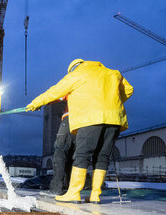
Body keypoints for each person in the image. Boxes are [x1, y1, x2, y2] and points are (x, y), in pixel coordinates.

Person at [26, 59, 133, 204]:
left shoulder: (76, 75)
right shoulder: (113, 73)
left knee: (82, 155)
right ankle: (95, 195)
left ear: (74, 68)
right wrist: (109, 102)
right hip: (114, 119)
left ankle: (74, 192)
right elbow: (128, 90)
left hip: (90, 118)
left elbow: (54, 91)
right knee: (102, 157)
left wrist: (35, 103)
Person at [40, 97, 75, 197]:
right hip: (87, 121)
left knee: (60, 151)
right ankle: (70, 189)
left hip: (71, 117)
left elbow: (56, 95)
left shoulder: (74, 82)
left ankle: (56, 188)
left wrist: (39, 102)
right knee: (73, 155)